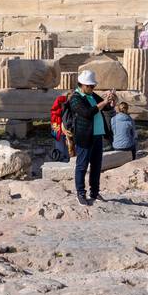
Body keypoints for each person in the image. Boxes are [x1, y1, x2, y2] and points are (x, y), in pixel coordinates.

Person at [67, 70, 117, 207]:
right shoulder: (75, 98)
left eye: (93, 86)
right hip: (84, 137)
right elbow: (87, 113)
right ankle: (80, 193)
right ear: (82, 85)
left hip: (98, 136)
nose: (92, 88)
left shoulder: (92, 95)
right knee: (82, 166)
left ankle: (94, 192)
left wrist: (111, 100)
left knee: (96, 166)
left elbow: (105, 108)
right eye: (90, 86)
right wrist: (103, 103)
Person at [49, 93, 71, 162]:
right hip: (57, 129)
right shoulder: (57, 110)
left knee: (66, 144)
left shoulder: (58, 110)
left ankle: (66, 157)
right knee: (59, 144)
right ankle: (61, 158)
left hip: (60, 128)